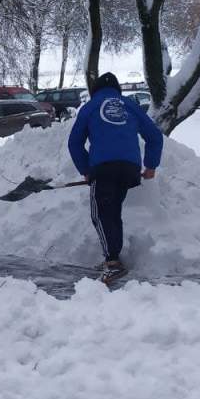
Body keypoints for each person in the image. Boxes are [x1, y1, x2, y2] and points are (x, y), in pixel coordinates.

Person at [68, 72, 163, 284]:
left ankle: (113, 263)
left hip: (103, 167)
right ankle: (113, 258)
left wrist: (86, 169)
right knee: (112, 211)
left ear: (95, 91)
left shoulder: (90, 107)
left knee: (100, 214)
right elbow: (154, 136)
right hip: (129, 168)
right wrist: (151, 166)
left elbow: (74, 143)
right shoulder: (129, 104)